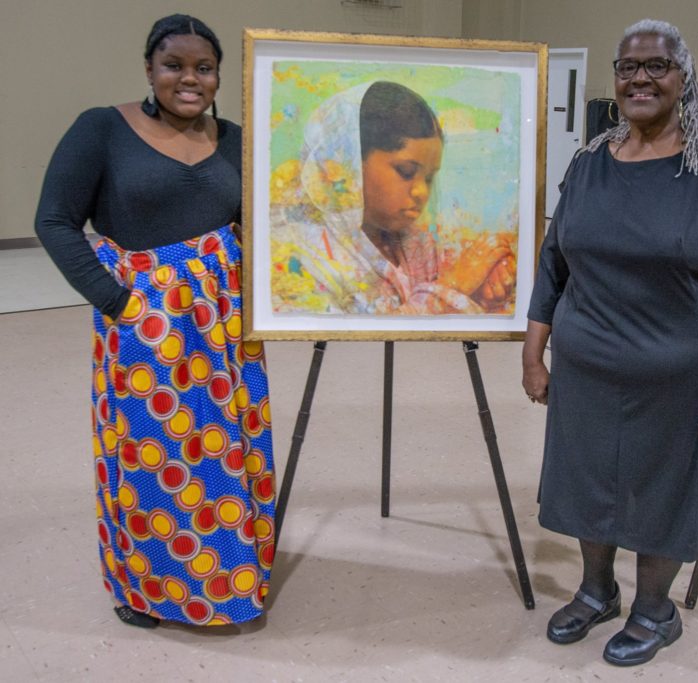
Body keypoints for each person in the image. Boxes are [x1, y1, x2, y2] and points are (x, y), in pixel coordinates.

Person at [522, 19, 698, 666]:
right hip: (586, 367)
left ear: (683, 79)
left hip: (679, 374)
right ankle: (597, 589)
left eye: (657, 66)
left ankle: (655, 609)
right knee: (587, 482)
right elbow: (556, 259)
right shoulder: (590, 161)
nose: (640, 77)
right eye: (628, 66)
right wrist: (534, 348)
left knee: (661, 491)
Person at [35, 14, 276, 628]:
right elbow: (55, 219)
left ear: (219, 76)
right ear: (149, 68)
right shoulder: (101, 129)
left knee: (224, 451)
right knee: (153, 458)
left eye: (204, 68)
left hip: (225, 328)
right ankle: (147, 591)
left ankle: (230, 578)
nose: (189, 79)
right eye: (174, 65)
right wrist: (116, 302)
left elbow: (261, 223)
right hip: (146, 329)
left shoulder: (235, 139)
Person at [270, 81, 516, 315]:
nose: (421, 191)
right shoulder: (297, 259)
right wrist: (454, 285)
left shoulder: (414, 239)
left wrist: (483, 288)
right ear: (348, 163)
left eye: (429, 178)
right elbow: (355, 344)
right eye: (406, 172)